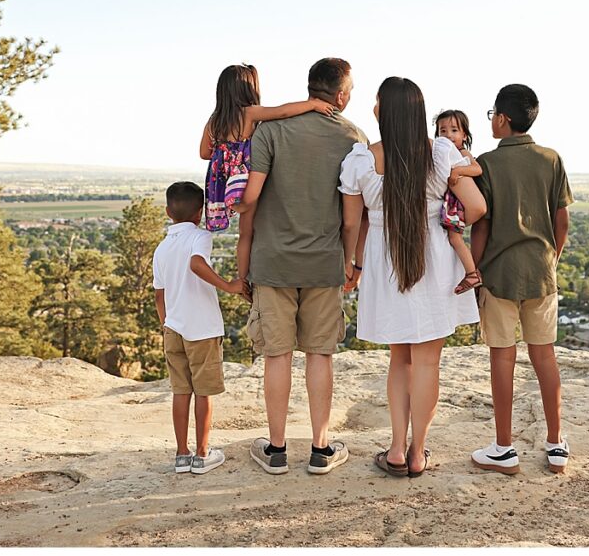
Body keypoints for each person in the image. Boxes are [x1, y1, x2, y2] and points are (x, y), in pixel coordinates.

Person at [339, 77, 482, 478]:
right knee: (427, 364)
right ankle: (419, 452)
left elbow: (352, 224)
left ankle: (396, 449)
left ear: (381, 111)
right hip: (433, 258)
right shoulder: (440, 152)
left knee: (398, 361)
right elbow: (475, 207)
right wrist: (445, 222)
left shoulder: (361, 160)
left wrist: (353, 264)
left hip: (386, 263)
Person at [234, 58, 367, 475]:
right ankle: (320, 449)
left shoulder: (270, 131)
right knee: (319, 355)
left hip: (272, 261)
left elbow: (249, 199)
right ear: (342, 95)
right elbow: (352, 217)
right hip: (325, 262)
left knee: (277, 355)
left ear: (310, 88)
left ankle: (275, 450)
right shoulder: (353, 137)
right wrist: (351, 261)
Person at [468, 84, 573, 475]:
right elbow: (562, 220)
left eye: (492, 113)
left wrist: (473, 270)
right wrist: (552, 258)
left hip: (499, 276)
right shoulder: (551, 159)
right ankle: (556, 444)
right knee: (544, 356)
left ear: (502, 119)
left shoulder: (487, 164)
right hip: (541, 273)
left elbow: (482, 225)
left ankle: (504, 448)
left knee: (502, 358)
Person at [153, 181, 245, 475]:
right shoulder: (201, 237)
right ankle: (203, 455)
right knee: (203, 393)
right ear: (200, 213)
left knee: (181, 392)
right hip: (202, 329)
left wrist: (167, 323)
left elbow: (159, 294)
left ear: (169, 212)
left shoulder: (162, 247)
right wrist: (229, 286)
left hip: (174, 328)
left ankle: (182, 455)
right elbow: (196, 264)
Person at [200, 64, 334, 264]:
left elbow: (204, 153)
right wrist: (313, 104)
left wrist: (224, 154)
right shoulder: (248, 113)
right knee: (250, 231)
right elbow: (281, 112)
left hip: (224, 182)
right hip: (244, 181)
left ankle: (242, 278)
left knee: (243, 235)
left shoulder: (214, 121)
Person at [433, 109, 486, 294]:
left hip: (457, 204)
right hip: (452, 202)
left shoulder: (463, 152)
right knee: (452, 238)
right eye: (443, 131)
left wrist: (458, 172)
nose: (448, 135)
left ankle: (472, 273)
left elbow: (476, 169)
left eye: (454, 130)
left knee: (454, 238)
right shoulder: (443, 154)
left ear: (464, 135)